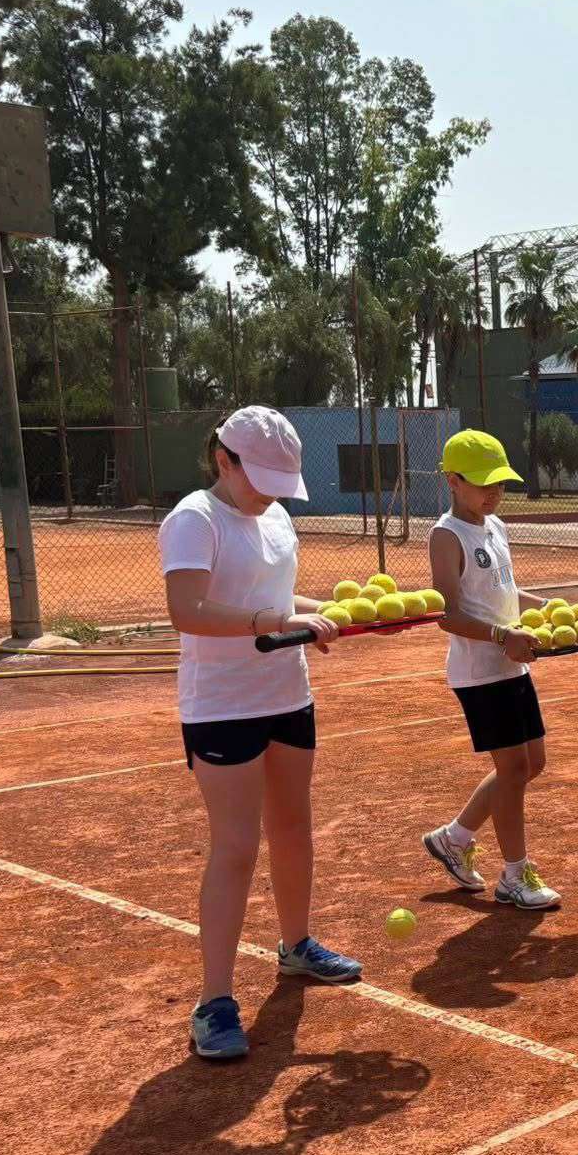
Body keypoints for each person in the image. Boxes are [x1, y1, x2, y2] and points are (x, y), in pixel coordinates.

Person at [160, 405, 363, 1062]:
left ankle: (297, 947)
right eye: (262, 477)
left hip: (286, 693)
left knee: (294, 828)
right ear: (224, 460)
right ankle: (214, 1002)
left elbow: (279, 596)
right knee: (238, 845)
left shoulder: (274, 516)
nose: (273, 492)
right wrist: (267, 620)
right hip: (221, 705)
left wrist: (328, 611)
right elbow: (187, 609)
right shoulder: (195, 518)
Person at [417, 430, 562, 912]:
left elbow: (508, 593)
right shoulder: (446, 535)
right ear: (453, 481)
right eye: (484, 484)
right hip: (481, 671)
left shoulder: (495, 527)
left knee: (531, 763)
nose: (495, 492)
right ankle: (515, 876)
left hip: (511, 665)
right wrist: (504, 637)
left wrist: (553, 608)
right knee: (514, 768)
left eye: (500, 482)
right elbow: (448, 613)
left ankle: (454, 838)